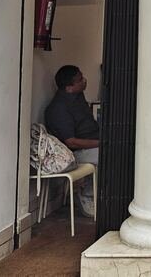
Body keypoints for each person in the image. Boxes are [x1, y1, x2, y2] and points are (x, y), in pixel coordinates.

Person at [45, 65, 99, 217]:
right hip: (76, 153)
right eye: (80, 80)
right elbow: (72, 142)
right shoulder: (59, 109)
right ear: (69, 87)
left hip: (93, 143)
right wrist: (103, 143)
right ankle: (86, 195)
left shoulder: (78, 96)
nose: (84, 81)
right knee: (108, 154)